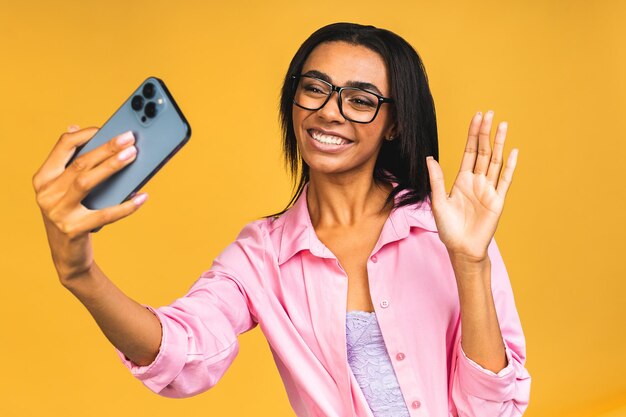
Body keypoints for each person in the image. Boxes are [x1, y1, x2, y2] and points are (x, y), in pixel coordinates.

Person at [33, 22, 531, 417]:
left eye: (360, 100)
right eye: (315, 88)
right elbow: (182, 358)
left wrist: (470, 261)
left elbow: (492, 409)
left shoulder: (446, 228)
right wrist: (81, 275)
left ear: (395, 122)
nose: (330, 112)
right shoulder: (261, 256)